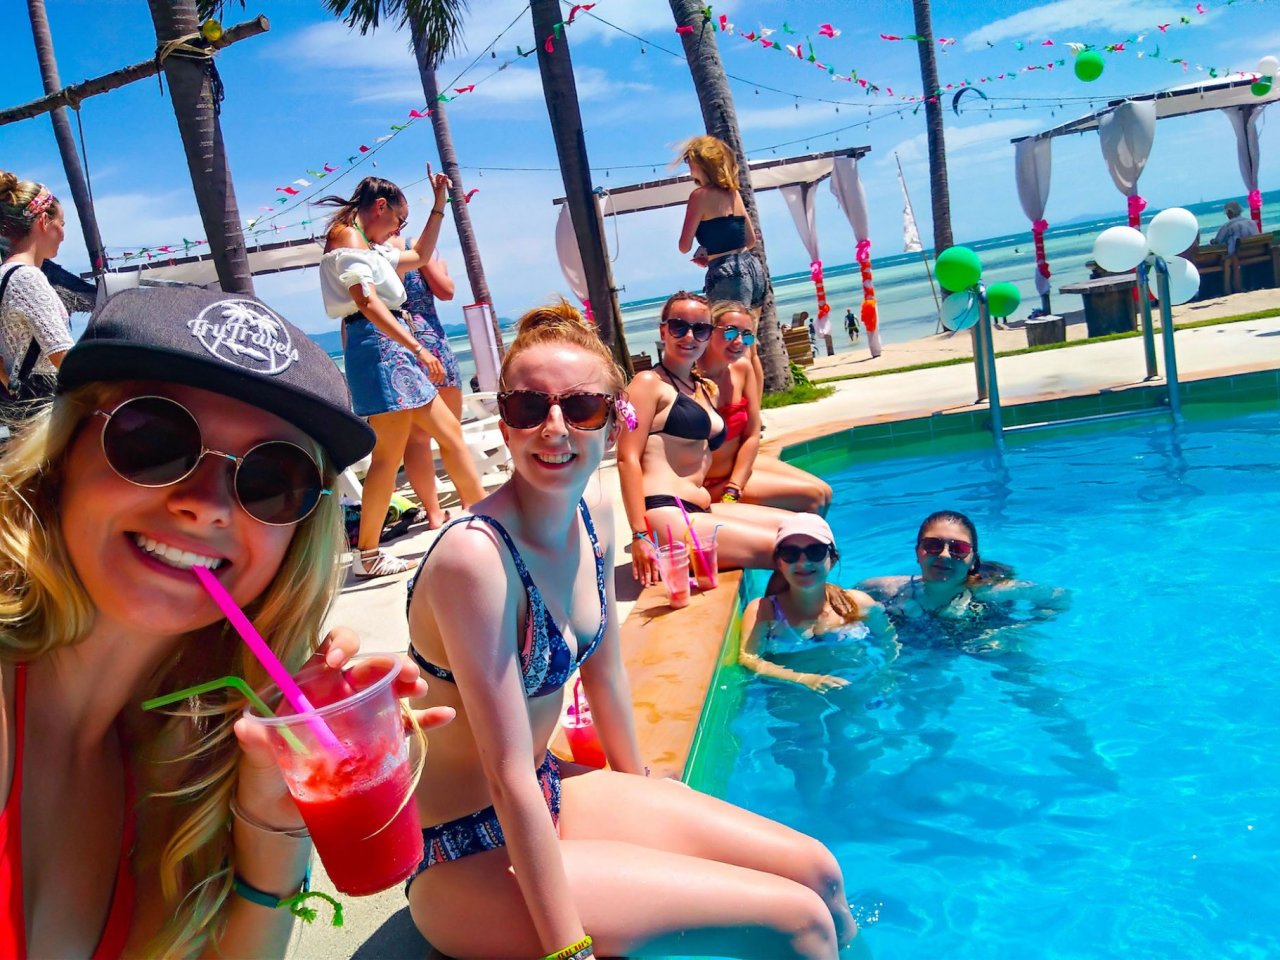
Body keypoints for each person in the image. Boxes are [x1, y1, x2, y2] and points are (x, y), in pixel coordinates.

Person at [0, 285, 452, 958]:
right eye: (153, 439)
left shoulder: (178, 754)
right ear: (65, 455)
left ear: (297, 537)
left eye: (273, 477)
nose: (208, 506)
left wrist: (270, 814)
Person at [403, 300, 856, 959]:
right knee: (796, 921)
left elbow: (608, 678)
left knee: (819, 872)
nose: (553, 429)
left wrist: (641, 793)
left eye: (580, 407)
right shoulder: (475, 559)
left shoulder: (593, 510)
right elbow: (504, 775)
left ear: (617, 417)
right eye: (528, 408)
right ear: (505, 421)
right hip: (468, 850)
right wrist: (567, 951)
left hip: (555, 791)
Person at [318, 175, 483, 577]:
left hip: (387, 346)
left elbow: (421, 256)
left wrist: (439, 203)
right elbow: (368, 302)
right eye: (398, 221)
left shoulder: (367, 245)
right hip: (381, 346)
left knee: (438, 440)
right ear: (380, 207)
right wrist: (418, 347)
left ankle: (486, 517)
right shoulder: (348, 240)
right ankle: (372, 554)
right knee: (395, 455)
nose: (398, 231)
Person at [617, 292, 807, 586]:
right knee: (794, 551)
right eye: (679, 327)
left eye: (700, 329)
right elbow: (626, 458)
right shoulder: (646, 384)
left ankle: (779, 617)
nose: (689, 336)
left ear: (708, 335)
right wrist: (639, 534)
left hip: (703, 508)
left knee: (807, 529)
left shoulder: (704, 388)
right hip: (667, 513)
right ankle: (781, 620)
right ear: (663, 331)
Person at [740, 514, 896, 693]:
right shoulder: (764, 611)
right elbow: (749, 659)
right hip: (792, 698)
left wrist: (887, 671)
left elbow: (887, 638)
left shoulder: (858, 603)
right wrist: (803, 679)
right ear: (779, 563)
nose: (803, 562)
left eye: (815, 552)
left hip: (858, 690)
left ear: (833, 559)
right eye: (790, 554)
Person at [701, 301, 831, 513]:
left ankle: (807, 544)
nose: (739, 341)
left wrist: (735, 486)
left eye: (747, 335)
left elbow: (752, 434)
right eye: (730, 332)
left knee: (825, 491)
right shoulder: (691, 381)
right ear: (709, 330)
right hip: (709, 482)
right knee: (813, 497)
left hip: (738, 469)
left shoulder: (742, 369)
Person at [857, 510, 1069, 634]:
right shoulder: (882, 589)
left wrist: (1019, 628)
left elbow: (1058, 596)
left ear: (973, 561)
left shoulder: (991, 592)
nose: (945, 555)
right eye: (933, 545)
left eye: (959, 549)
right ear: (917, 552)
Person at [390, 235, 463, 530]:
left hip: (396, 343)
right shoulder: (413, 248)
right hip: (429, 340)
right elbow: (446, 291)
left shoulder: (368, 252)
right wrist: (434, 262)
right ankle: (468, 501)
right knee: (450, 432)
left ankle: (433, 513)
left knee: (417, 438)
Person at [0, 172, 74, 418]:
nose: (63, 235)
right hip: (48, 411)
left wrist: (14, 384)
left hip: (25, 411)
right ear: (43, 220)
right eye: (61, 224)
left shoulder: (5, 276)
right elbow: (63, 357)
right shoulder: (27, 278)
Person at [677, 136, 766, 310]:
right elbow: (750, 240)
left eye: (688, 159)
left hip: (727, 274)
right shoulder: (732, 193)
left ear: (700, 162)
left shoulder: (699, 196)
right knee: (747, 334)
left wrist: (711, 254)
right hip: (752, 268)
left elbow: (684, 246)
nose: (687, 164)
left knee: (727, 333)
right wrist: (714, 249)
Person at [1212, 200, 1260, 294]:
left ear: (1230, 212)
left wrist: (1212, 241)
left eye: (1227, 213)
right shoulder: (1252, 223)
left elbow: (1218, 242)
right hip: (1257, 252)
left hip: (1237, 256)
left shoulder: (1228, 226)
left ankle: (1228, 288)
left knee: (1224, 260)